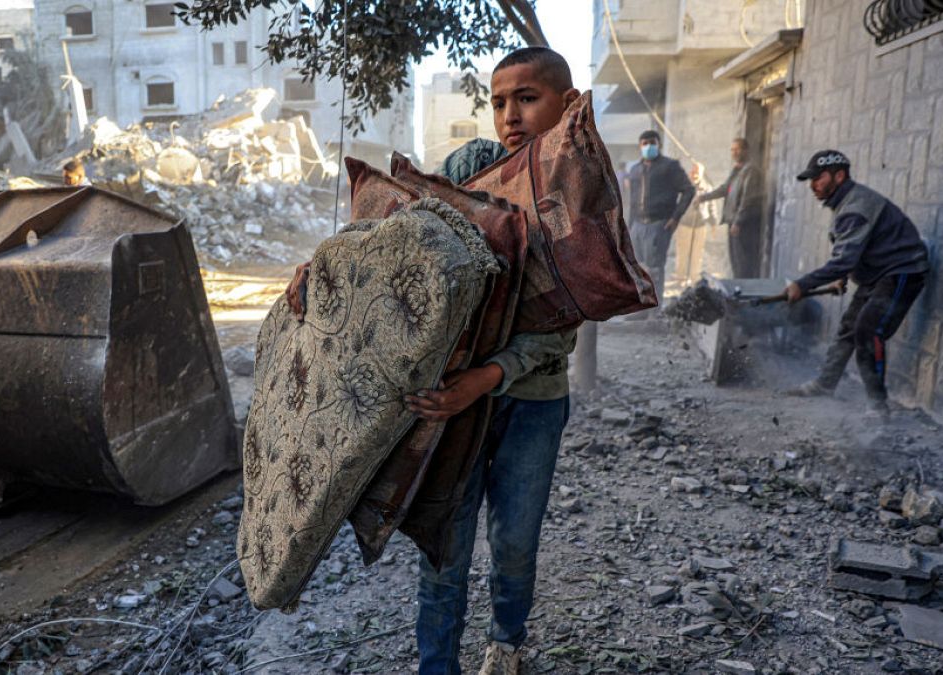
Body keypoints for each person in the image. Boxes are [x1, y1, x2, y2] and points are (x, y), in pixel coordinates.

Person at [287, 46, 579, 675]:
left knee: (514, 542)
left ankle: (506, 643)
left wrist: (486, 378)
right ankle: (436, 666)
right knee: (445, 542)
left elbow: (561, 327)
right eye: (500, 101)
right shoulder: (472, 166)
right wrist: (326, 268)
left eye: (528, 98)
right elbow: (404, 235)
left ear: (569, 104)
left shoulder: (575, 197)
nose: (511, 115)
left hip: (530, 400)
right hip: (450, 399)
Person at [784, 150, 929, 418]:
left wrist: (802, 284)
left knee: (868, 332)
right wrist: (842, 276)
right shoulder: (846, 202)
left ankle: (877, 405)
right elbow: (851, 250)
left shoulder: (855, 207)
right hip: (878, 273)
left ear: (839, 176)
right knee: (848, 328)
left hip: (902, 271)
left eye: (818, 178)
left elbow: (844, 259)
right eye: (810, 180)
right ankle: (825, 384)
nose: (813, 185)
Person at [627, 130, 695, 303]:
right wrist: (628, 226)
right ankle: (640, 307)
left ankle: (655, 309)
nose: (648, 146)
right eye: (644, 143)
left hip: (659, 225)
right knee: (637, 268)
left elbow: (689, 190)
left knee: (655, 269)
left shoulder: (670, 166)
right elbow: (632, 201)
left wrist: (675, 217)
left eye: (652, 142)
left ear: (659, 145)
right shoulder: (635, 170)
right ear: (640, 146)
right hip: (637, 226)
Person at [697, 138, 764, 278]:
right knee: (735, 262)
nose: (734, 153)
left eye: (737, 149)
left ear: (746, 150)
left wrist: (738, 221)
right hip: (733, 223)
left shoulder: (750, 171)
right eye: (732, 150)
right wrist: (704, 197)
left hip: (744, 226)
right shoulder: (737, 171)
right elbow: (724, 189)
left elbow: (748, 199)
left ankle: (744, 292)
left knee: (744, 263)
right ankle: (738, 290)